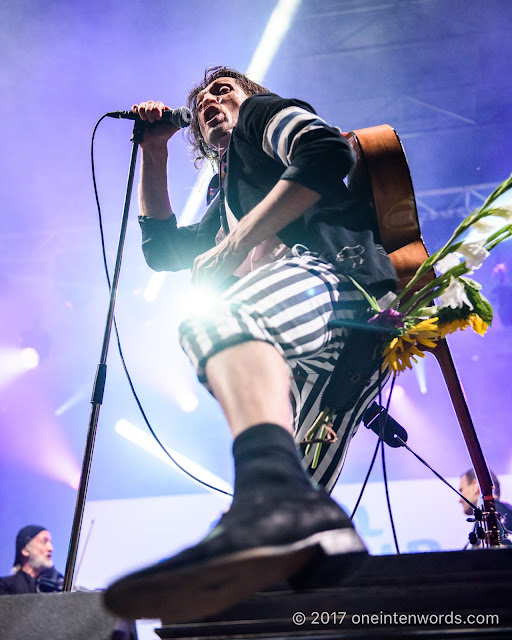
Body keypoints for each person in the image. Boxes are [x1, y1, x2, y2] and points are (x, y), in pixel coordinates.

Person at [104, 66, 398, 622]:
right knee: (296, 516)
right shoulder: (230, 190)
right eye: (202, 100)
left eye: (223, 91)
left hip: (338, 287)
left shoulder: (262, 120)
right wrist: (155, 151)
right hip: (334, 357)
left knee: (215, 320)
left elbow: (325, 151)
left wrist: (240, 239)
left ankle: (268, 512)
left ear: (250, 98)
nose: (211, 101)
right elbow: (164, 251)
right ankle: (311, 553)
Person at [0, 525, 63, 595]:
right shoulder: (5, 586)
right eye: (44, 542)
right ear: (25, 550)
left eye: (50, 542)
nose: (51, 548)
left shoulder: (58, 584)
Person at [459, 468, 512, 536]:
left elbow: (502, 545)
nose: (460, 500)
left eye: (461, 490)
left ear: (475, 486)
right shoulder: (503, 509)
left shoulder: (490, 511)